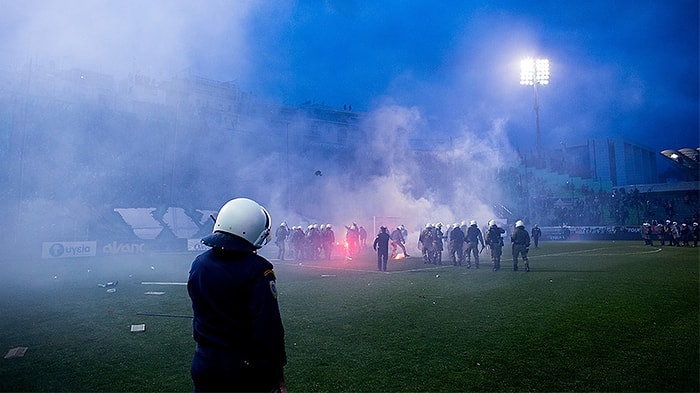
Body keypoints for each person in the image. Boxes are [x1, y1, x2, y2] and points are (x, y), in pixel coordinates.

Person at [188, 198, 287, 392]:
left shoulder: (199, 263)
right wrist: (277, 375)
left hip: (204, 363)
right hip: (242, 372)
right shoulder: (257, 270)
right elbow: (267, 326)